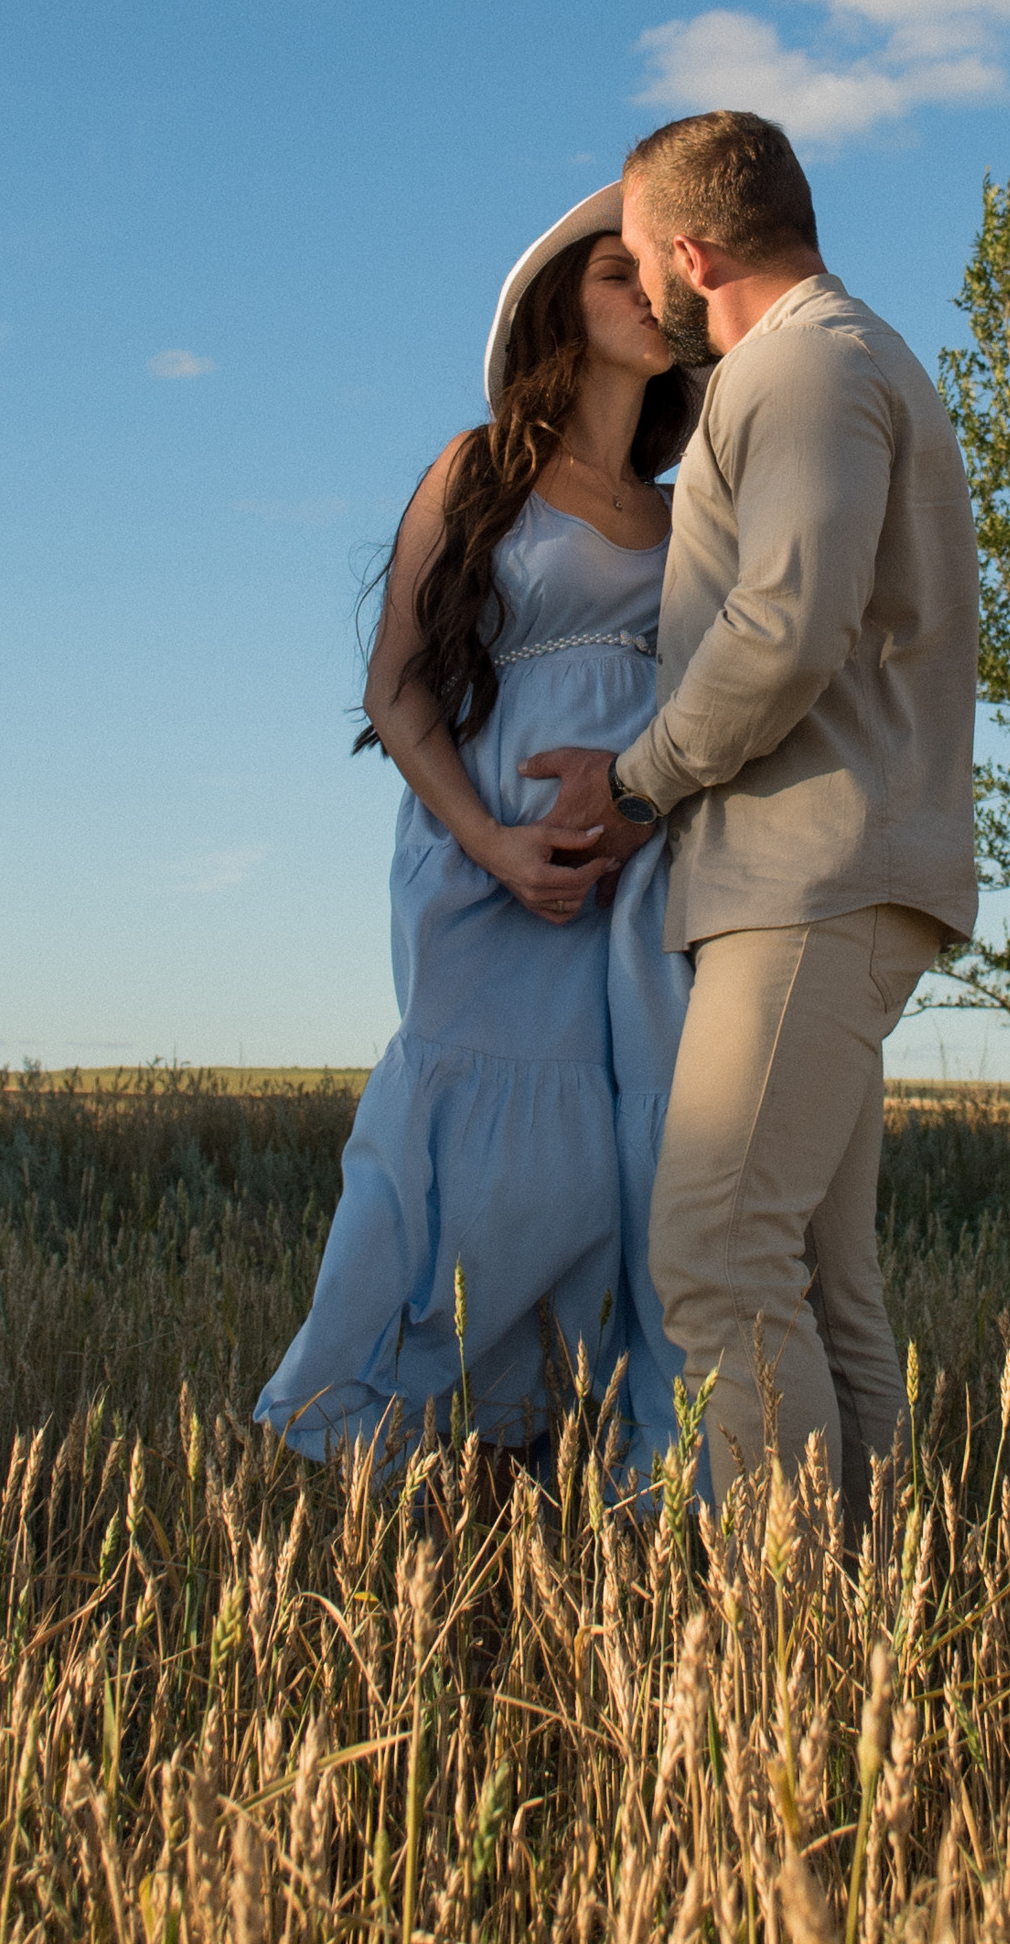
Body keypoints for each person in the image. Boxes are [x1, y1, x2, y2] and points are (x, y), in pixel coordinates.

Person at [523, 109, 979, 1513]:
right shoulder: (843, 360)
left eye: (638, 252)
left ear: (693, 253)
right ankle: (873, 1600)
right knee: (823, 1284)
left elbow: (783, 631)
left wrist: (636, 784)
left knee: (716, 1254)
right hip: (834, 870)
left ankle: (782, 1616)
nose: (640, 282)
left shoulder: (801, 369)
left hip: (811, 872)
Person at [254, 194, 697, 1476]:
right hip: (486, 869)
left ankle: (571, 1449)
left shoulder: (691, 514)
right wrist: (493, 847)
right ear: (559, 305)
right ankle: (378, 1438)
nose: (647, 294)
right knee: (485, 1163)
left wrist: (637, 816)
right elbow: (396, 688)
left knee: (613, 1164)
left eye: (660, 276)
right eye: (616, 273)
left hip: (636, 876)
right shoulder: (479, 468)